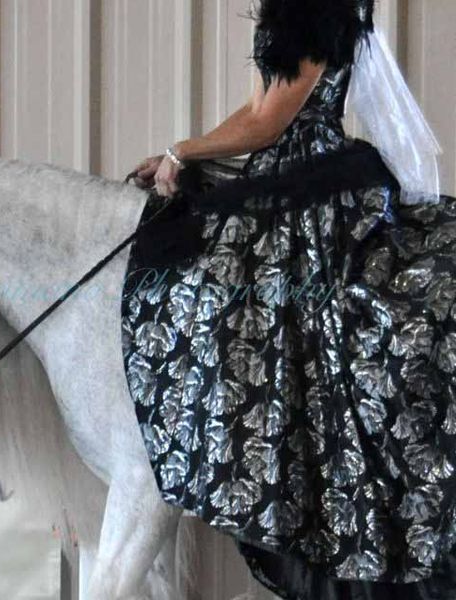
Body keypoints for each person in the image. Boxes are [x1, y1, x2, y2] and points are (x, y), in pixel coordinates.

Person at [120, 0, 456, 598]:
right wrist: (187, 150)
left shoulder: (318, 9)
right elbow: (255, 107)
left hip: (311, 182)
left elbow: (270, 124)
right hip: (278, 172)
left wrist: (185, 150)